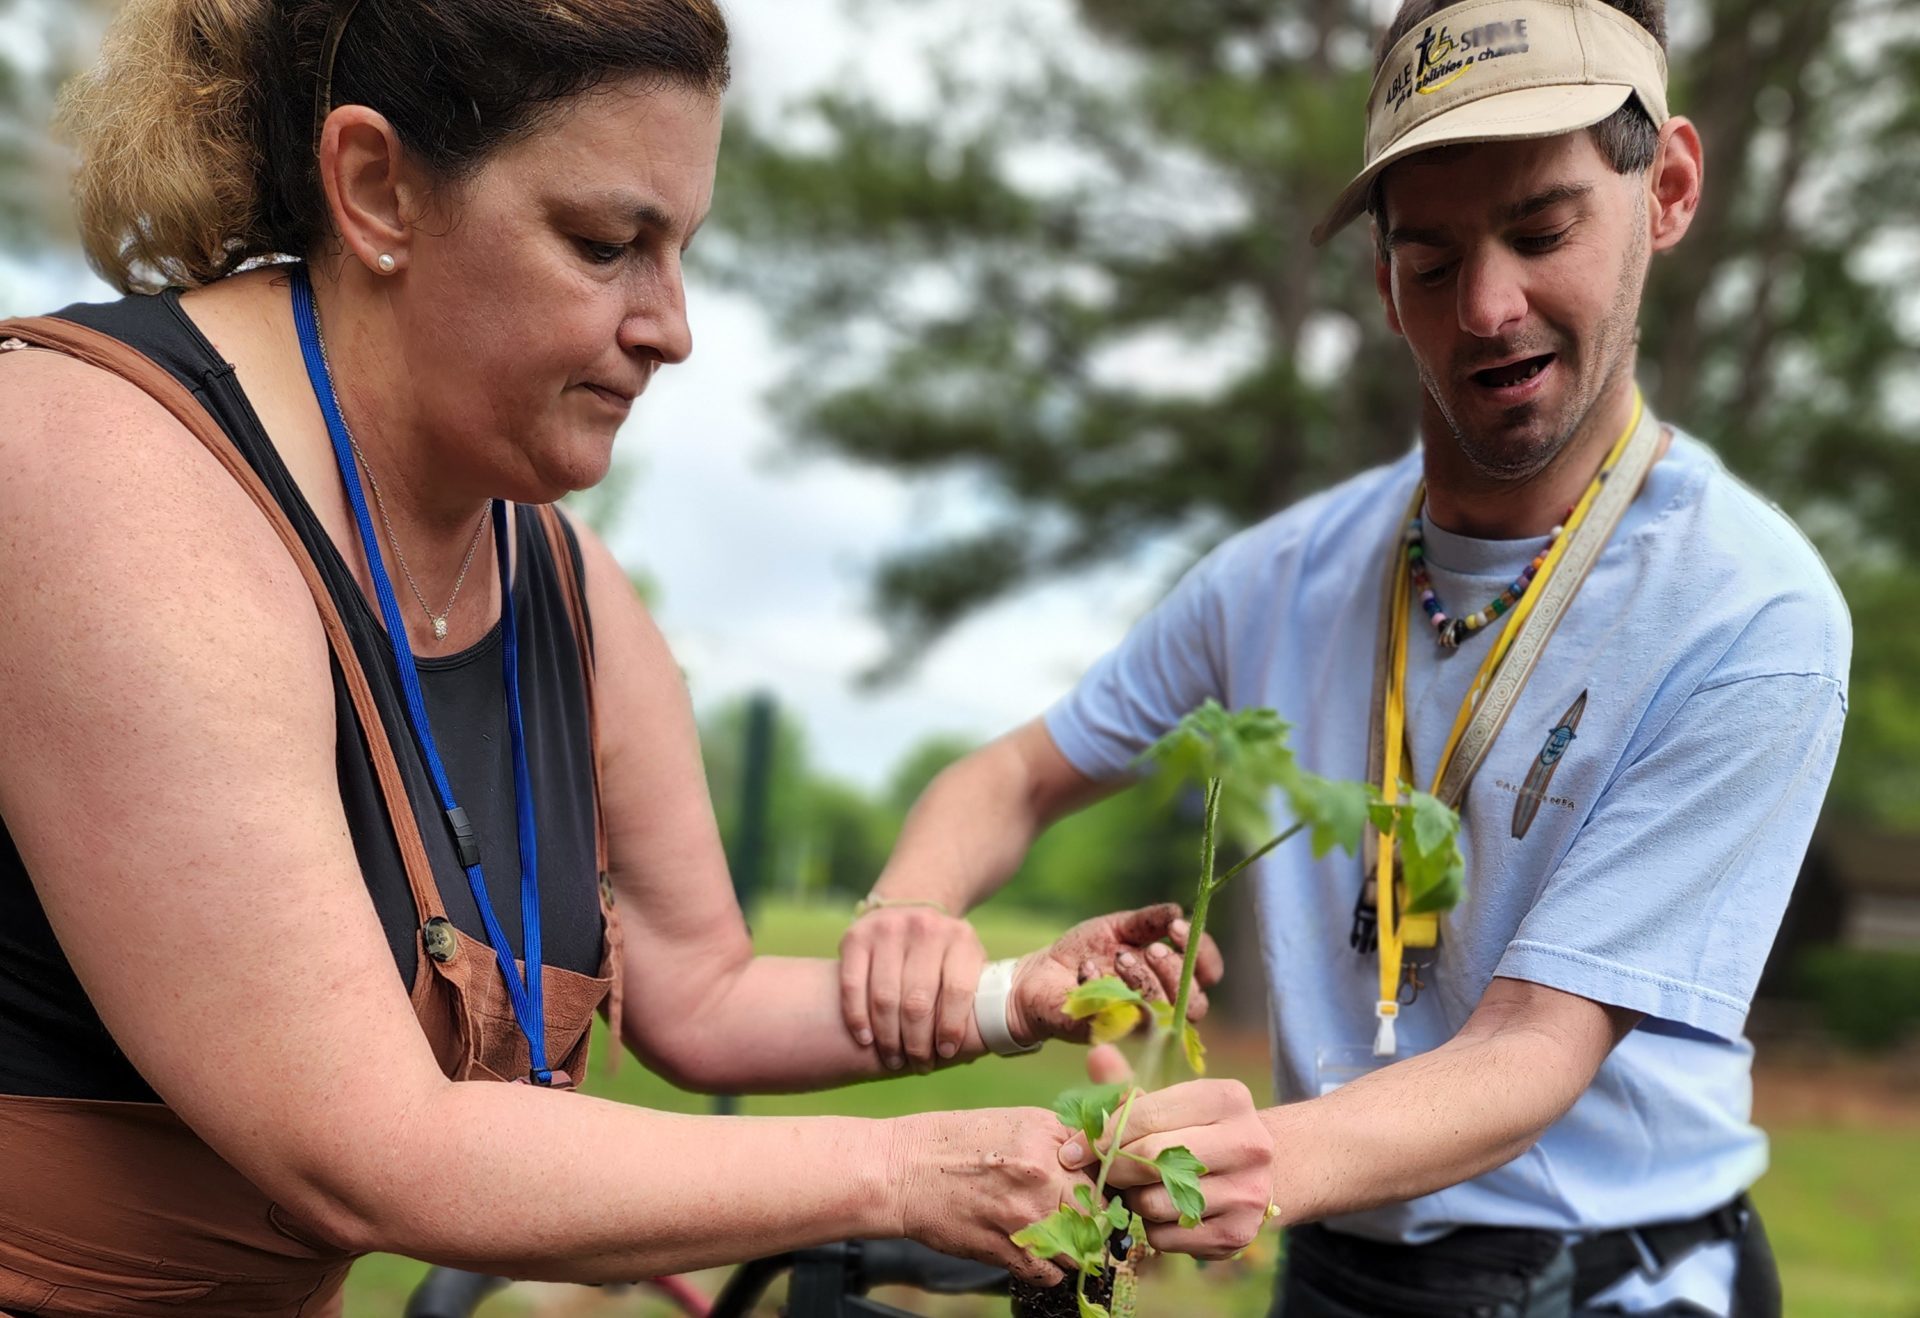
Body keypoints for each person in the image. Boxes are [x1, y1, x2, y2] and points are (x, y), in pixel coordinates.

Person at [0, 2, 1277, 1314]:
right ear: (376, 189)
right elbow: (360, 1143)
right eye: (607, 245)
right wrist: (901, 1170)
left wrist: (1015, 997)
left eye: (681, 252)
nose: (672, 327)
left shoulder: (561, 583)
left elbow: (701, 992)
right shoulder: (104, 470)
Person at [839, 1, 1849, 1313]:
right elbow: (1018, 776)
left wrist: (1254, 1153)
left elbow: (1534, 1049)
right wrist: (910, 914)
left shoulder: (1750, 616)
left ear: (1665, 190)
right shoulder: (1280, 576)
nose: (1488, 307)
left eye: (1542, 231)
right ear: (1382, 285)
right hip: (1334, 1269)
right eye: (1430, 260)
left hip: (1610, 1282)